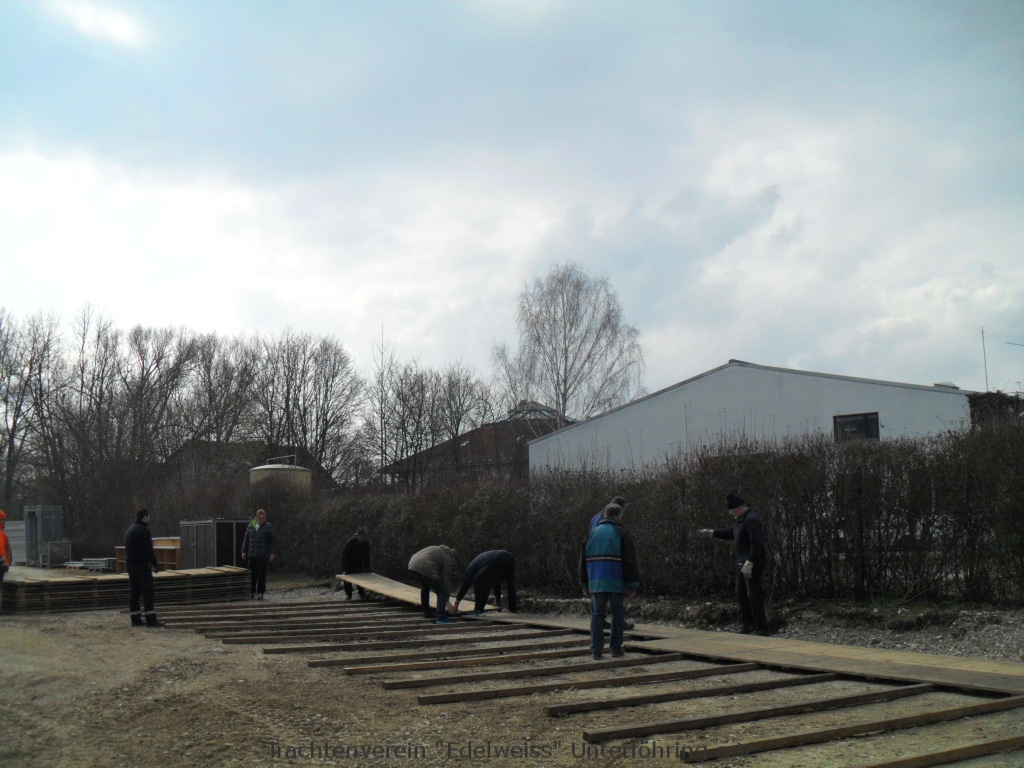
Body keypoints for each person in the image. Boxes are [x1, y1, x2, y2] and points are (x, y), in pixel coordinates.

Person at [699, 492, 770, 636]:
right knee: (741, 593)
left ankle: (761, 628)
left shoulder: (751, 520)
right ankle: (748, 625)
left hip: (752, 563)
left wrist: (750, 562)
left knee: (754, 595)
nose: (730, 512)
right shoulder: (739, 520)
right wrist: (713, 533)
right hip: (742, 563)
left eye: (731, 509)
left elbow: (757, 544)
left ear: (739, 507)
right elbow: (732, 533)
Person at [579, 502, 641, 660]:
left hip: (596, 581)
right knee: (617, 615)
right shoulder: (622, 533)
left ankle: (596, 651)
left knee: (597, 615)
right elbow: (629, 561)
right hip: (616, 582)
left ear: (605, 514)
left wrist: (584, 583)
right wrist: (633, 583)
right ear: (619, 516)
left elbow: (583, 561)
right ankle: (616, 649)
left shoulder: (591, 533)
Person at [589, 496, 636, 631]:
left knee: (598, 600)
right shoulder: (606, 521)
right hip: (608, 562)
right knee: (615, 601)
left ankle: (600, 624)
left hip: (595, 563)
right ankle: (616, 624)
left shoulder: (596, 516)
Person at [124, 508, 165, 627]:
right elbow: (148, 550)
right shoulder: (144, 530)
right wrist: (155, 563)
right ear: (144, 517)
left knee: (135, 591)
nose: (149, 519)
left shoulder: (130, 529)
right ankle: (151, 620)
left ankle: (135, 619)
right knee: (148, 591)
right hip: (141, 565)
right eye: (149, 516)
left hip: (130, 564)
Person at [454, 550, 517, 616]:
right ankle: (513, 609)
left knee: (478, 580)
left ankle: (478, 610)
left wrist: (457, 601)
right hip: (510, 558)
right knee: (510, 584)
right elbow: (496, 582)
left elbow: (465, 584)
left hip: (497, 559)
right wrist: (498, 600)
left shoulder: (470, 569)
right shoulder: (481, 563)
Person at [408, 544, 458, 624]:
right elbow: (445, 579)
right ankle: (442, 618)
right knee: (441, 592)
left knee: (425, 587)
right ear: (453, 558)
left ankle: (427, 613)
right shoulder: (447, 557)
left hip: (412, 565)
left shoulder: (438, 551)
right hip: (426, 565)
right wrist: (447, 598)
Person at [241, 508, 278, 600]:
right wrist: (244, 551)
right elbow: (246, 539)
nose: (262, 520)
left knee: (261, 575)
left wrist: (273, 553)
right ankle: (251, 591)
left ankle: (260, 592)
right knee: (252, 575)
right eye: (261, 518)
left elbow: (273, 540)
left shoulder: (268, 527)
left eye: (263, 518)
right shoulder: (251, 525)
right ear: (256, 517)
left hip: (263, 555)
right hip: (252, 555)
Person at [340, 527, 371, 600]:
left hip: (358, 564)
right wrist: (345, 569)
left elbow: (366, 557)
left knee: (360, 579)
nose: (361, 538)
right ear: (357, 536)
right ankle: (348, 595)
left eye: (363, 536)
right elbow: (345, 557)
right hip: (349, 563)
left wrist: (367, 567)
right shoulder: (350, 543)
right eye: (360, 536)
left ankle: (362, 595)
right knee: (347, 580)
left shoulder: (366, 544)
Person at [0, 509, 12, 594]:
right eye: (3, 521)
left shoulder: (2, 534)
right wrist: (4, 564)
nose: (4, 523)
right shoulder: (1, 534)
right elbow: (1, 552)